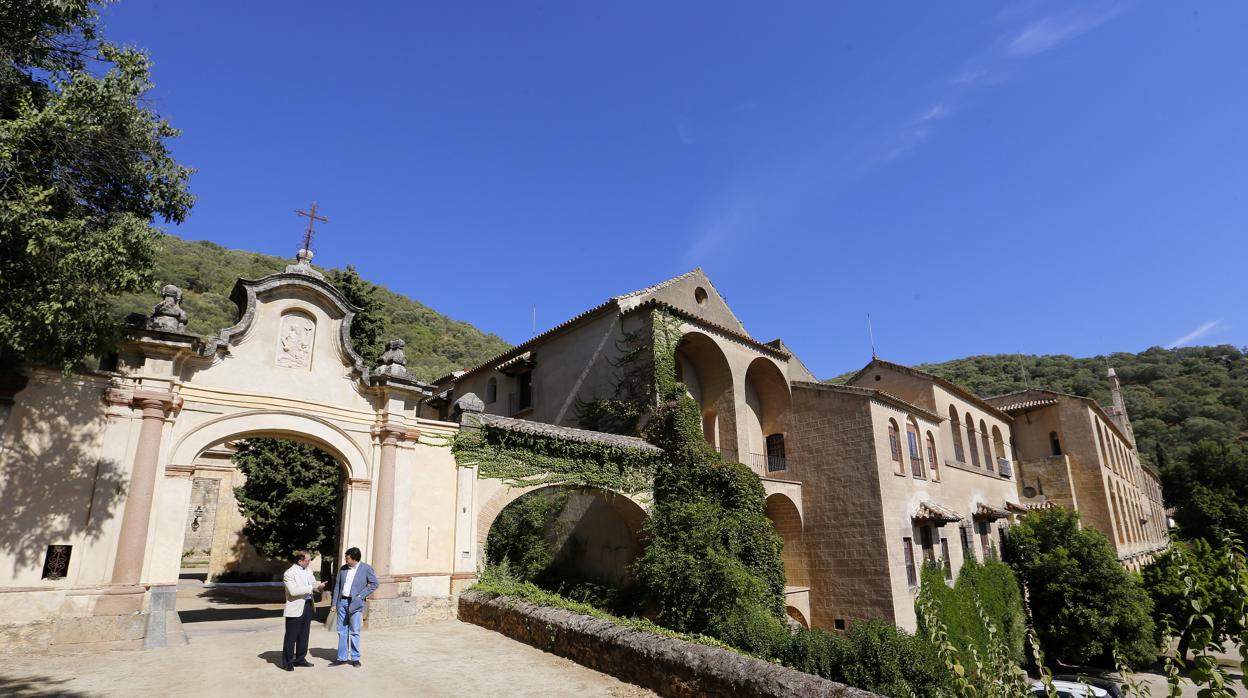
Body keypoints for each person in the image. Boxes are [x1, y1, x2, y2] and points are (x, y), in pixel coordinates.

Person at [330, 547, 379, 667]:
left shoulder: (366, 568)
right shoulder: (343, 569)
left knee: (355, 632)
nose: (346, 561)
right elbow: (337, 587)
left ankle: (355, 658)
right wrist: (334, 604)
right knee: (342, 631)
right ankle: (342, 658)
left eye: (348, 559)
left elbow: (374, 583)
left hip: (355, 604)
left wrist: (360, 595)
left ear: (355, 559)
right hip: (342, 603)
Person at [281, 551, 325, 671]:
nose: (310, 562)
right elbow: (293, 591)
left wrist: (319, 585)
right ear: (300, 561)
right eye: (308, 560)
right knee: (291, 636)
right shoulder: (289, 573)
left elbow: (312, 583)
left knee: (304, 635)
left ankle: (300, 659)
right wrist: (312, 587)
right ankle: (287, 662)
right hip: (296, 607)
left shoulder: (309, 571)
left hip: (308, 605)